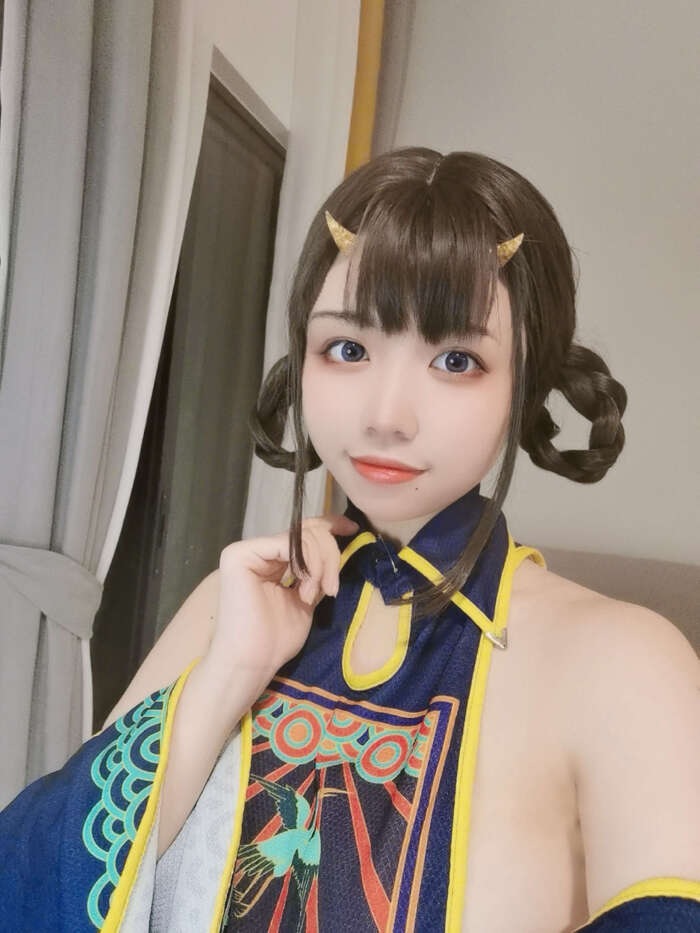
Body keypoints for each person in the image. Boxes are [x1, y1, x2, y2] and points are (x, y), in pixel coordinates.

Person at [0, 147, 698, 932]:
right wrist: (228, 674)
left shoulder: (627, 665)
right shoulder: (227, 608)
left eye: (456, 359)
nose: (385, 414)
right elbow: (31, 883)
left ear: (523, 383)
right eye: (348, 349)